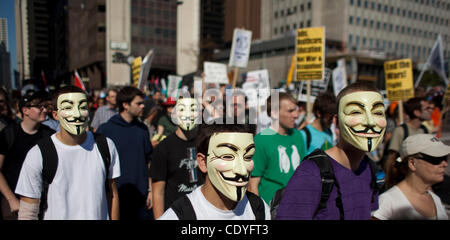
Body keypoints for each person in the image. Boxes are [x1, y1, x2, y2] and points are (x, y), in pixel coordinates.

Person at [276, 82, 386, 220]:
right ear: (336, 121)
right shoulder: (311, 173)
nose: (370, 122)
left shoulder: (371, 170)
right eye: (356, 112)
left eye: (378, 112)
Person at [14, 86, 120, 220]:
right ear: (55, 115)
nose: (77, 114)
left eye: (82, 107)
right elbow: (28, 212)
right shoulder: (38, 153)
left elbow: (112, 194)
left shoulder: (105, 145)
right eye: (68, 108)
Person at [158, 122, 270, 220]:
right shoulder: (179, 216)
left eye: (248, 157)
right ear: (203, 162)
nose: (241, 170)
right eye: (227, 157)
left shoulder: (258, 209)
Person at [97, 86, 153, 220]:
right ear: (125, 105)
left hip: (140, 195)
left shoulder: (143, 129)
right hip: (115, 195)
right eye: (138, 103)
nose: (143, 106)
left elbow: (149, 160)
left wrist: (150, 190)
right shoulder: (105, 130)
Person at [0, 91, 55, 220]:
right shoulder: (9, 134)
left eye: (45, 106)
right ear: (25, 110)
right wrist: (11, 199)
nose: (44, 109)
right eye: (39, 106)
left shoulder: (50, 136)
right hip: (14, 204)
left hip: (43, 204)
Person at [150, 97, 205, 219]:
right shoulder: (164, 148)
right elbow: (158, 191)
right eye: (182, 109)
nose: (188, 114)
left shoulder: (206, 143)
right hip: (175, 214)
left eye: (193, 110)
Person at [248, 92, 306, 204]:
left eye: (296, 110)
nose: (296, 115)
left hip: (297, 205)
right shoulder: (261, 140)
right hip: (271, 208)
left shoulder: (298, 135)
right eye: (290, 111)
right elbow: (253, 185)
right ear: (274, 113)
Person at [373, 134, 449, 220]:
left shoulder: (435, 199)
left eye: (444, 158)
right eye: (436, 159)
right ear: (412, 163)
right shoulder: (387, 203)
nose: (445, 164)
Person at [384, 97, 433, 186]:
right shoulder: (401, 131)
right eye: (427, 108)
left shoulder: (424, 130)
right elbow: (391, 160)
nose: (431, 110)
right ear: (416, 112)